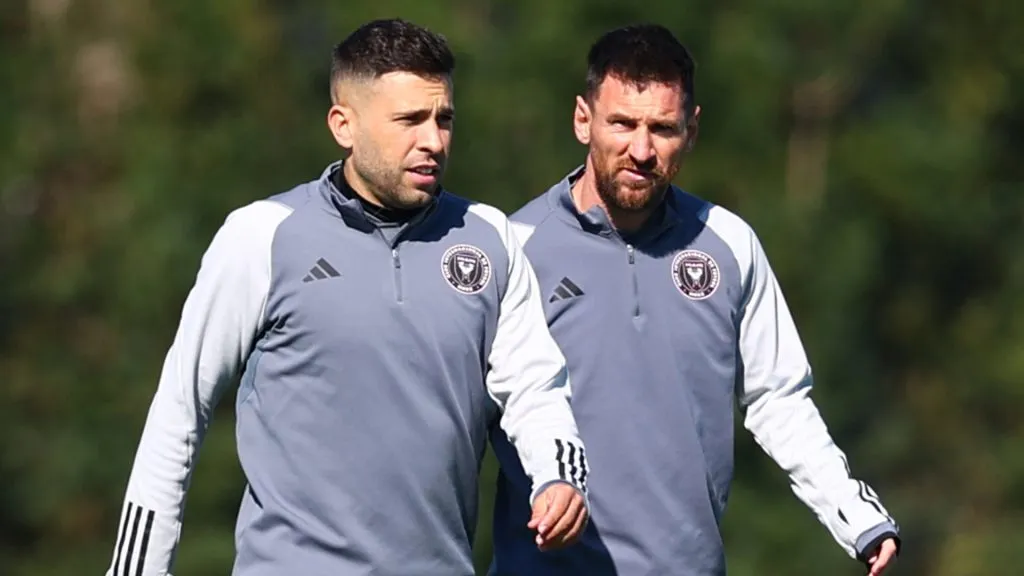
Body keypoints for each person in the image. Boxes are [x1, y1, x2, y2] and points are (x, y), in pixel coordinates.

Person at [104, 18, 588, 576]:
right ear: (344, 125)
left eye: (444, 119)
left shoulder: (489, 237)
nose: (432, 140)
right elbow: (179, 413)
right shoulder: (261, 235)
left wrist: (559, 475)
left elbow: (535, 386)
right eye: (409, 120)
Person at [489, 24, 899, 576]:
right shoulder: (514, 249)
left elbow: (779, 398)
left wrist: (854, 514)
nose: (641, 149)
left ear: (692, 129)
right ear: (583, 120)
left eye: (662, 128)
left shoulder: (729, 244)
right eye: (623, 124)